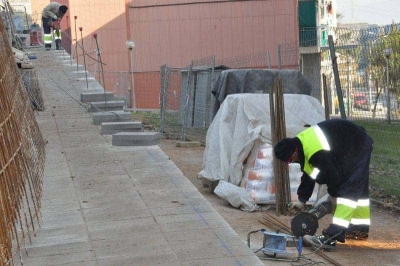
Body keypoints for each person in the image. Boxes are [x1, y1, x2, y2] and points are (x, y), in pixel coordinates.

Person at [273, 119, 373, 249]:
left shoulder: (317, 152)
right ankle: (359, 229)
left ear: (294, 152)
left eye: (290, 160)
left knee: (349, 191)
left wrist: (333, 196)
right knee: (358, 191)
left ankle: (332, 236)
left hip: (357, 145)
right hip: (349, 145)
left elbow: (334, 175)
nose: (290, 163)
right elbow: (310, 174)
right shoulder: (302, 143)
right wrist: (302, 200)